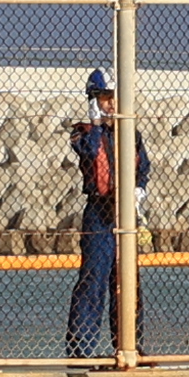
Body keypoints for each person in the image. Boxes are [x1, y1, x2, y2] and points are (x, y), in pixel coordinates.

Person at [65, 75, 127, 358]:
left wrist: (138, 188)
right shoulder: (83, 132)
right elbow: (89, 152)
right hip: (99, 212)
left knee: (127, 281)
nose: (111, 103)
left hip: (125, 212)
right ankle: (81, 348)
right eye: (104, 98)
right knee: (94, 278)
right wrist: (97, 126)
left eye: (114, 97)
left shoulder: (129, 132)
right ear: (94, 99)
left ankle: (129, 345)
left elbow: (142, 164)